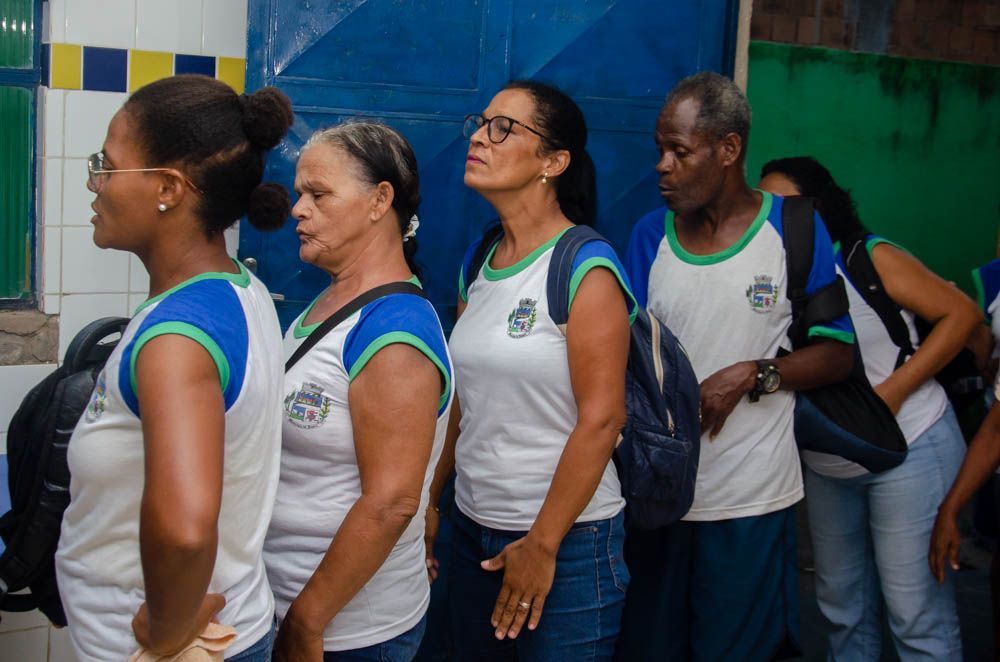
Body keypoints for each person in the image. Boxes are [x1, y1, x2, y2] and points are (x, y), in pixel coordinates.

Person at [54, 75, 293, 661]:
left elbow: (185, 534)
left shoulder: (177, 339)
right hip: (238, 619)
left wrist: (165, 633)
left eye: (107, 166)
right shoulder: (238, 287)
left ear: (168, 187)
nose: (94, 182)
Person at [621, 73, 855, 662]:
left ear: (728, 149)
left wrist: (754, 373)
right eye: (660, 150)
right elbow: (626, 359)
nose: (662, 166)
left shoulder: (795, 228)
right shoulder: (650, 237)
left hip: (752, 500)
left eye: (680, 151)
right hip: (662, 500)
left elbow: (837, 353)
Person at [423, 80, 635, 661]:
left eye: (503, 128)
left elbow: (603, 419)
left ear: (553, 162)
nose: (479, 138)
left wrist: (542, 545)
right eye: (480, 123)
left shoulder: (585, 266)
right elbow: (462, 400)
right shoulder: (480, 260)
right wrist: (431, 501)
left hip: (569, 545)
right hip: (472, 531)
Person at [759, 155, 981, 660]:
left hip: (910, 445)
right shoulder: (766, 273)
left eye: (786, 206)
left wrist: (893, 392)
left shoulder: (866, 258)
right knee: (841, 608)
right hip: (830, 463)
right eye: (765, 207)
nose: (775, 219)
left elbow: (962, 314)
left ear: (820, 208)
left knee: (915, 612)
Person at [263, 121, 454, 662]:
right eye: (300, 194)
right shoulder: (329, 302)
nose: (298, 209)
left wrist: (306, 621)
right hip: (285, 601)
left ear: (380, 201)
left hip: (347, 634)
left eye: (318, 194)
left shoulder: (394, 331)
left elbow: (392, 502)